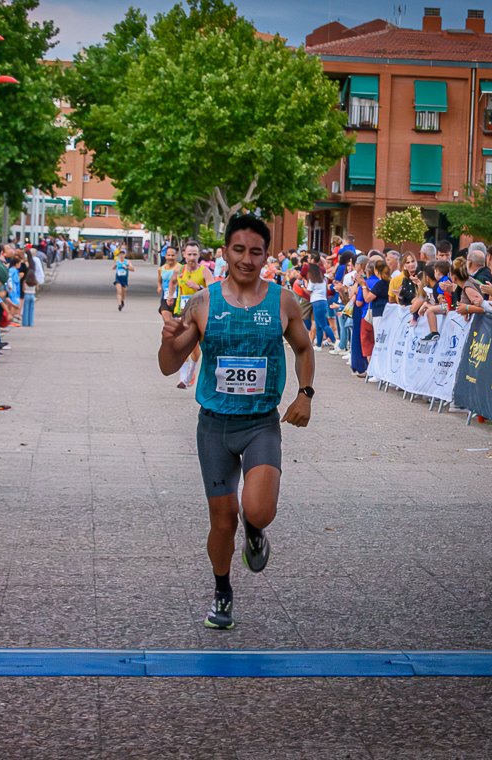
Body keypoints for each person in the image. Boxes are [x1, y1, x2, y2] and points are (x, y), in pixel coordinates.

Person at [157, 215, 315, 630]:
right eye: (239, 250)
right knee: (222, 520)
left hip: (261, 423)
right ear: (225, 252)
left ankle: (256, 530)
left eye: (256, 251)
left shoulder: (282, 301)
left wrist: (305, 393)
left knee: (259, 510)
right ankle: (222, 591)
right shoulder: (202, 303)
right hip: (214, 426)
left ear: (266, 255)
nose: (247, 259)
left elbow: (303, 347)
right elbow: (168, 365)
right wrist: (167, 341)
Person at [172, 241, 215, 388]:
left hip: (198, 314)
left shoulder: (204, 272)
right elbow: (172, 282)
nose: (192, 257)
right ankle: (183, 378)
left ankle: (191, 372)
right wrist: (170, 295)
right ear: (184, 254)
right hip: (181, 311)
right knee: (183, 344)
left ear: (198, 255)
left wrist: (199, 287)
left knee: (195, 347)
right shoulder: (178, 270)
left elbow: (212, 292)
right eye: (189, 254)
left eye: (194, 254)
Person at [304, 261, 332, 350]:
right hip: (323, 302)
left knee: (323, 325)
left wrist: (302, 286)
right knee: (319, 325)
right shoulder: (323, 280)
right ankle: (319, 345)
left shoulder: (312, 281)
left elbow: (308, 291)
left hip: (316, 303)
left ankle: (335, 341)